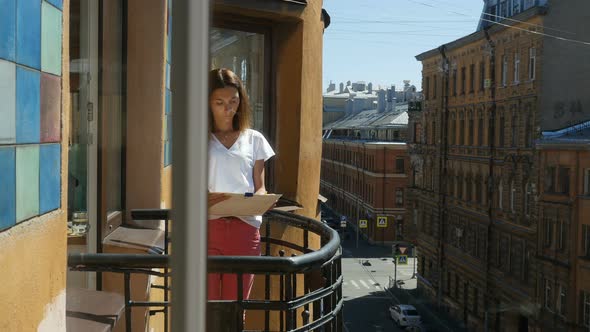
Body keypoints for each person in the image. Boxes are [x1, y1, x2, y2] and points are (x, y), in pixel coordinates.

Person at [207, 68, 275, 302]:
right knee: (207, 306)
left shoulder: (254, 139)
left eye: (233, 101)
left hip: (245, 230)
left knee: (235, 308)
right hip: (207, 229)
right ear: (207, 103)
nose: (228, 109)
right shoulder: (197, 138)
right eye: (219, 102)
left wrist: (260, 199)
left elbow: (260, 186)